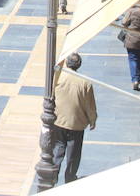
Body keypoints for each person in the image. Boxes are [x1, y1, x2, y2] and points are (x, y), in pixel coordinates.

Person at [52, 52, 97, 184]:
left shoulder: (58, 78)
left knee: (58, 149)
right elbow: (90, 106)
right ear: (79, 65)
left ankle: (53, 175)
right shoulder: (85, 83)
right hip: (76, 123)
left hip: (58, 120)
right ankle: (70, 178)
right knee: (74, 154)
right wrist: (92, 120)